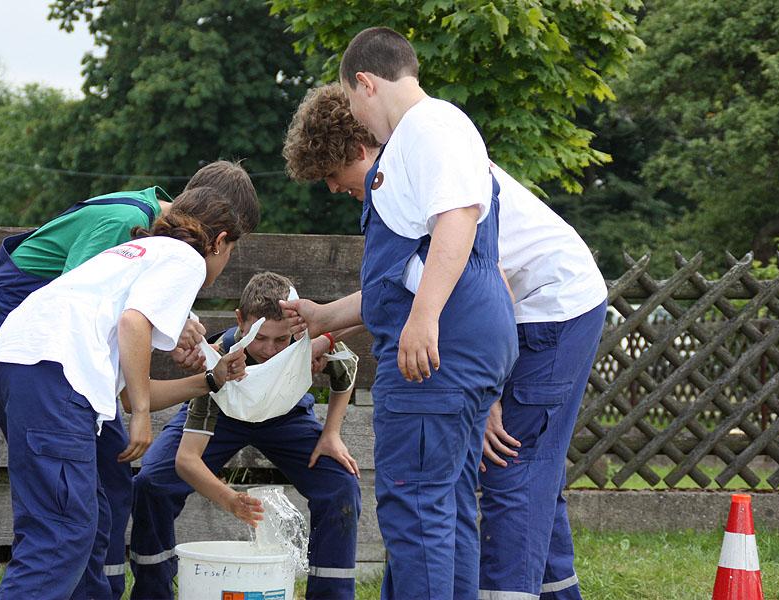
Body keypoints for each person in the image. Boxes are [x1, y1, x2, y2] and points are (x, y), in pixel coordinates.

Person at [284, 83, 608, 599]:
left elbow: (483, 274)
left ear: (360, 150)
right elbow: (405, 282)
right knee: (519, 469)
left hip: (553, 307)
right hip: (507, 319)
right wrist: (324, 320)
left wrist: (491, 392)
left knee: (512, 469)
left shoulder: (419, 166)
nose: (332, 188)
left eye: (332, 174)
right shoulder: (413, 169)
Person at [281, 27, 519, 600]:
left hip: (439, 348)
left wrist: (425, 317)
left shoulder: (429, 126)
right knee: (445, 504)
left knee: (416, 510)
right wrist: (327, 318)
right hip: (461, 336)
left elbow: (458, 218)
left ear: (366, 83)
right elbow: (405, 272)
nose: (361, 123)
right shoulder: (420, 138)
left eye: (353, 99)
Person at [0, 160, 259, 599]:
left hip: (18, 365)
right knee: (62, 532)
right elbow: (133, 325)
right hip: (53, 373)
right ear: (220, 241)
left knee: (74, 520)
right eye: (232, 251)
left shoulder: (136, 252)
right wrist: (144, 415)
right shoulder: (186, 259)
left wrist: (210, 378)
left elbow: (125, 388)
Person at [129, 271, 361, 600]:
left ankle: (332, 594)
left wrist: (332, 432)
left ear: (295, 326)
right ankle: (152, 593)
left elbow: (346, 367)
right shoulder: (220, 360)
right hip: (224, 414)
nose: (269, 349)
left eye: (281, 340)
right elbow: (186, 460)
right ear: (240, 321)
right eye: (260, 337)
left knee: (342, 484)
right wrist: (229, 499)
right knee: (152, 482)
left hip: (285, 417)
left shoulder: (308, 340)